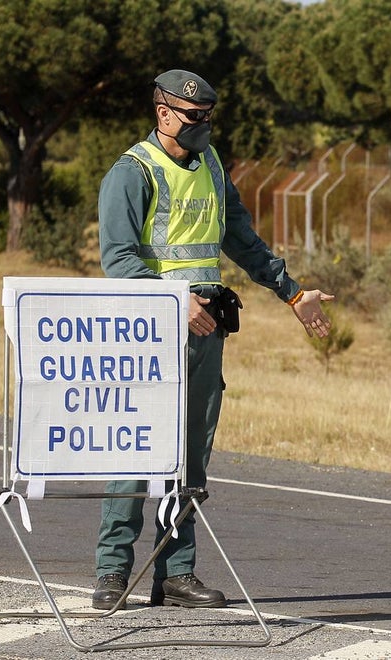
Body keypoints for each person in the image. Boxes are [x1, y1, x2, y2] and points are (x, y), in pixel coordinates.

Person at [92, 69, 334, 610]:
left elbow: (242, 239)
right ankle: (112, 572)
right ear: (163, 114)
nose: (203, 126)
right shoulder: (132, 173)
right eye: (193, 118)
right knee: (136, 451)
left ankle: (176, 572)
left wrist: (292, 293)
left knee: (190, 454)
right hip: (147, 333)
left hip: (205, 334)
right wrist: (175, 303)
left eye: (208, 118)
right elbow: (119, 260)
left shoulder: (212, 165)